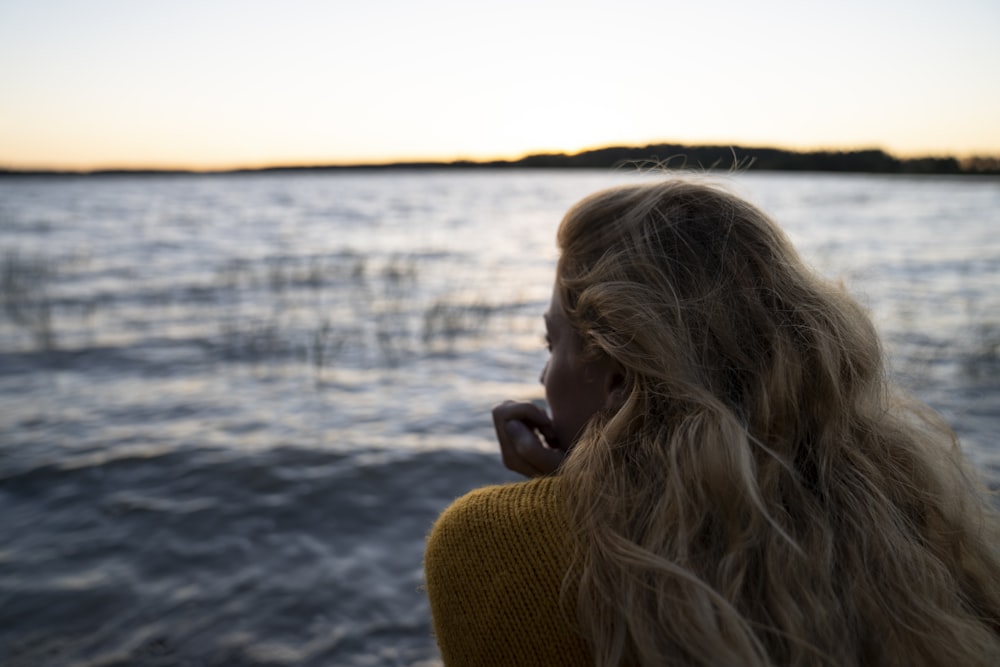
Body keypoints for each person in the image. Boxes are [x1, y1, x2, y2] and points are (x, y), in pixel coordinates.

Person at [423, 178, 1000, 666]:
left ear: (620, 376)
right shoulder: (912, 528)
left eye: (553, 343)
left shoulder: (492, 549)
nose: (545, 374)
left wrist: (565, 499)